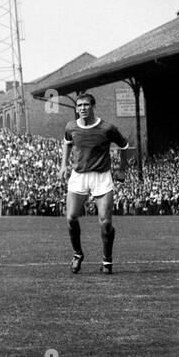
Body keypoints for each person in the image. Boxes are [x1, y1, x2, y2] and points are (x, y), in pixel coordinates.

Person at [61, 92, 129, 275]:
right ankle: (77, 254)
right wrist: (63, 166)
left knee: (105, 222)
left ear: (93, 106)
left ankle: (107, 261)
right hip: (79, 176)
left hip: (101, 176)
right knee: (71, 218)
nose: (82, 108)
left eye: (85, 105)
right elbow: (67, 142)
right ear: (76, 109)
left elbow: (124, 146)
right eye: (79, 106)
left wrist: (122, 169)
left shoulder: (107, 128)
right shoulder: (71, 126)